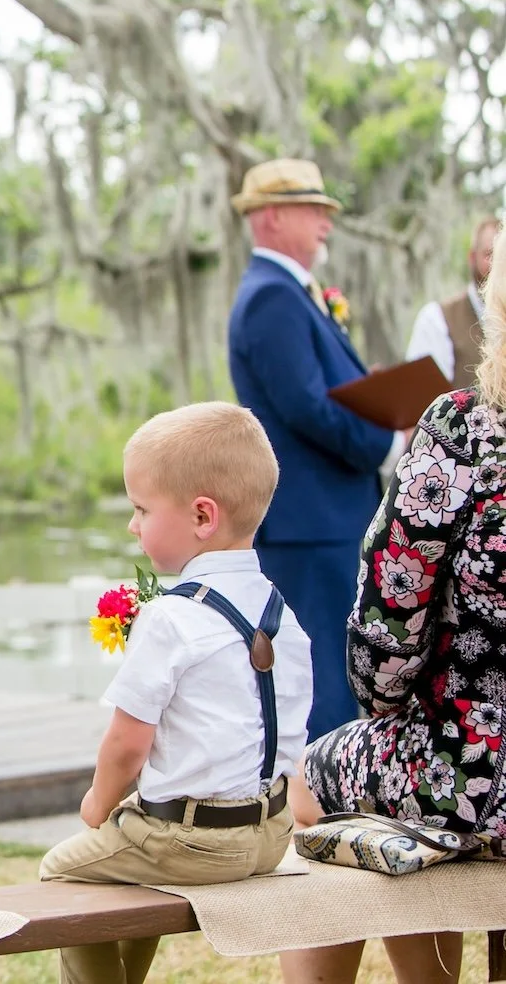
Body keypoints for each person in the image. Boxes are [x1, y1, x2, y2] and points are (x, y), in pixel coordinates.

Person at [281, 223, 506, 984]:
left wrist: (394, 709)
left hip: (479, 769)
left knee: (315, 778)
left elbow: (385, 636)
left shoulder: (464, 432)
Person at [39, 401, 312, 984]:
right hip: (267, 835)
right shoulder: (285, 618)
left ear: (202, 516)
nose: (133, 526)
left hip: (193, 841)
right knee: (132, 858)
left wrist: (97, 803)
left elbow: (126, 747)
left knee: (64, 872)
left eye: (141, 510)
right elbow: (291, 737)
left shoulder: (170, 619)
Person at [226, 158, 403, 741]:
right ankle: (320, 816)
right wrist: (384, 439)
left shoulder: (295, 295)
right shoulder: (270, 298)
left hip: (328, 516)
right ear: (272, 217)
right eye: (314, 212)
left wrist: (371, 393)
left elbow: (317, 394)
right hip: (309, 522)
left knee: (339, 666)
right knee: (324, 671)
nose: (327, 224)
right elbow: (304, 407)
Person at [404, 216, 500, 387]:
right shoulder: (437, 319)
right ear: (472, 257)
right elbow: (420, 396)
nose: (497, 266)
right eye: (489, 254)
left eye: (502, 258)